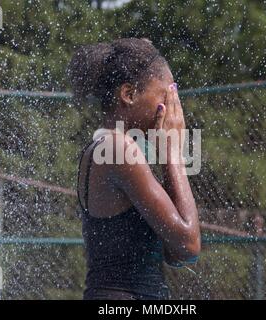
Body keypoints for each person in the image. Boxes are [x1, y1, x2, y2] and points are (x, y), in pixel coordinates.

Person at [68, 38, 201, 300]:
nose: (173, 108)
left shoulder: (112, 147)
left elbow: (174, 254)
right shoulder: (118, 148)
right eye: (166, 95)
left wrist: (166, 155)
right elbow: (189, 245)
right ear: (129, 94)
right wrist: (173, 152)